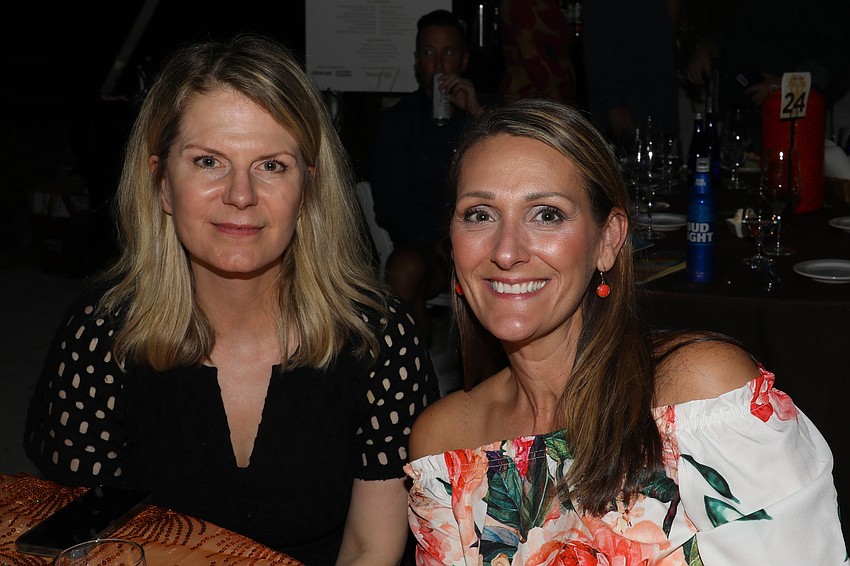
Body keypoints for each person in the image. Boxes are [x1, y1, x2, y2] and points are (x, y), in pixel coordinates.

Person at [23, 34, 440, 566]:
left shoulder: (378, 337)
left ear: (308, 188)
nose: (240, 195)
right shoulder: (103, 332)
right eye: (208, 161)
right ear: (162, 184)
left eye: (271, 165)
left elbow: (369, 549)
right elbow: (87, 539)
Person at [404, 98, 846, 564]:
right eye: (480, 214)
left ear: (608, 240)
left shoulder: (703, 400)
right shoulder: (445, 445)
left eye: (547, 214)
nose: (507, 251)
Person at [368, 9, 484, 343]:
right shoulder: (396, 123)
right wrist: (439, 242)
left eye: (448, 53)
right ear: (417, 61)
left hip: (485, 240)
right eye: (429, 53)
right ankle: (414, 379)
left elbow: (519, 168)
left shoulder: (480, 114)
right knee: (404, 268)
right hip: (428, 247)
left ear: (463, 60)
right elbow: (389, 206)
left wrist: (477, 113)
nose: (439, 64)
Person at [581, 0, 680, 151]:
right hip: (623, 111)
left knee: (662, 167)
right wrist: (613, 103)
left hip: (659, 107)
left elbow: (662, 44)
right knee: (623, 167)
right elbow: (596, 51)